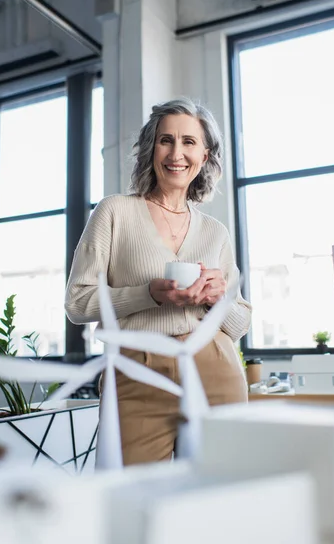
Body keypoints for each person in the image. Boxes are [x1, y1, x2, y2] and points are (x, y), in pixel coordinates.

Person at [65, 97, 251, 465]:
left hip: (214, 366)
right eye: (166, 140)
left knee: (222, 493)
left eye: (189, 142)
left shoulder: (216, 232)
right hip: (137, 370)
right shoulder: (115, 211)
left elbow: (241, 322)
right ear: (152, 148)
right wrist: (147, 294)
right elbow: (77, 304)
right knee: (130, 497)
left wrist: (218, 298)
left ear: (205, 154)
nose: (176, 153)